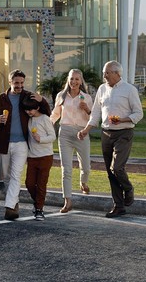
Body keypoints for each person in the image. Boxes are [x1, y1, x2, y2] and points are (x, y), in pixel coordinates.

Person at [77, 61, 143, 218]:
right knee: (110, 173)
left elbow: (139, 114)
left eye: (107, 73)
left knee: (117, 168)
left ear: (117, 73)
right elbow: (95, 113)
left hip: (124, 133)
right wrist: (86, 130)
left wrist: (123, 119)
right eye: (104, 72)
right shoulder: (102, 89)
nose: (104, 75)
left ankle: (128, 189)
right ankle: (119, 206)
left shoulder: (129, 90)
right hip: (106, 134)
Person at [0, 69, 50, 221]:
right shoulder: (1, 99)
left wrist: (41, 99)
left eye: (22, 83)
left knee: (16, 175)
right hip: (5, 143)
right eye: (16, 83)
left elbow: (46, 112)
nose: (19, 86)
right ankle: (14, 201)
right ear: (10, 82)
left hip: (22, 143)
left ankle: (10, 208)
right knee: (6, 176)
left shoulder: (28, 96)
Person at [50, 69, 93, 213]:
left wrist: (87, 109)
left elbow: (93, 119)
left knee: (86, 166)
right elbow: (55, 115)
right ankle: (67, 201)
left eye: (77, 79)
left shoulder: (86, 97)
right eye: (71, 79)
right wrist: (47, 125)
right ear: (68, 80)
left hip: (82, 133)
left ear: (81, 81)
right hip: (65, 133)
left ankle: (83, 182)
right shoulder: (61, 96)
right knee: (66, 168)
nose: (74, 82)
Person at [22, 96, 55, 221]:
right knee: (29, 183)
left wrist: (41, 139)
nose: (28, 112)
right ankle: (38, 203)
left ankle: (39, 209)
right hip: (32, 157)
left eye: (31, 109)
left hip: (45, 156)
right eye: (26, 110)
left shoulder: (45, 119)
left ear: (37, 107)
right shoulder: (29, 120)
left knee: (41, 184)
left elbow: (52, 136)